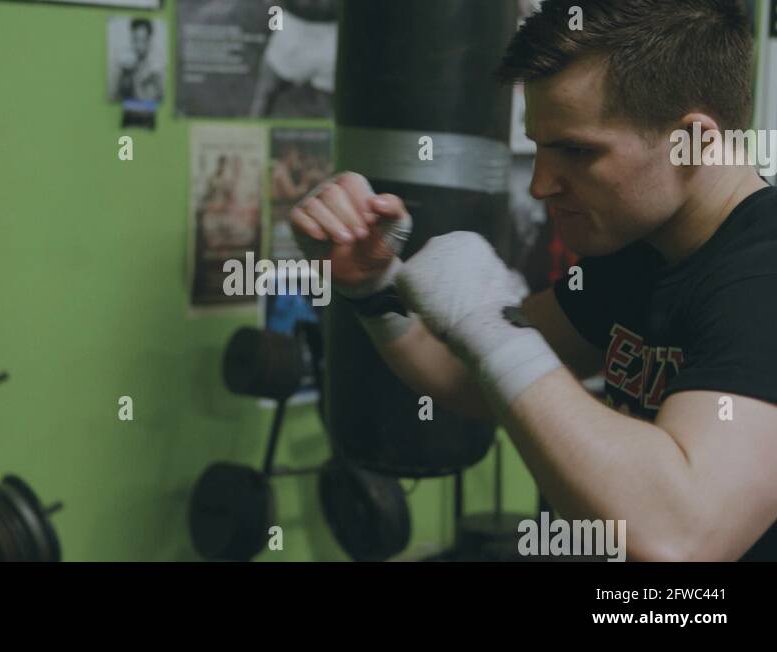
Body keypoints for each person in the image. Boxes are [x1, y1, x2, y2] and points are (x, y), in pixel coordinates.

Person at [290, 0, 777, 561]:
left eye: (576, 150)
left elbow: (681, 537)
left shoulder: (762, 275)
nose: (540, 185)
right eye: (541, 147)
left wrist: (492, 327)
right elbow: (470, 377)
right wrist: (373, 285)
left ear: (694, 140)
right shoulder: (641, 252)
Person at [117, 18, 163, 103]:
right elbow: (118, 98)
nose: (138, 46)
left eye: (143, 40)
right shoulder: (126, 67)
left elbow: (154, 101)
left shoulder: (156, 70)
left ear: (149, 41)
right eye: (135, 40)